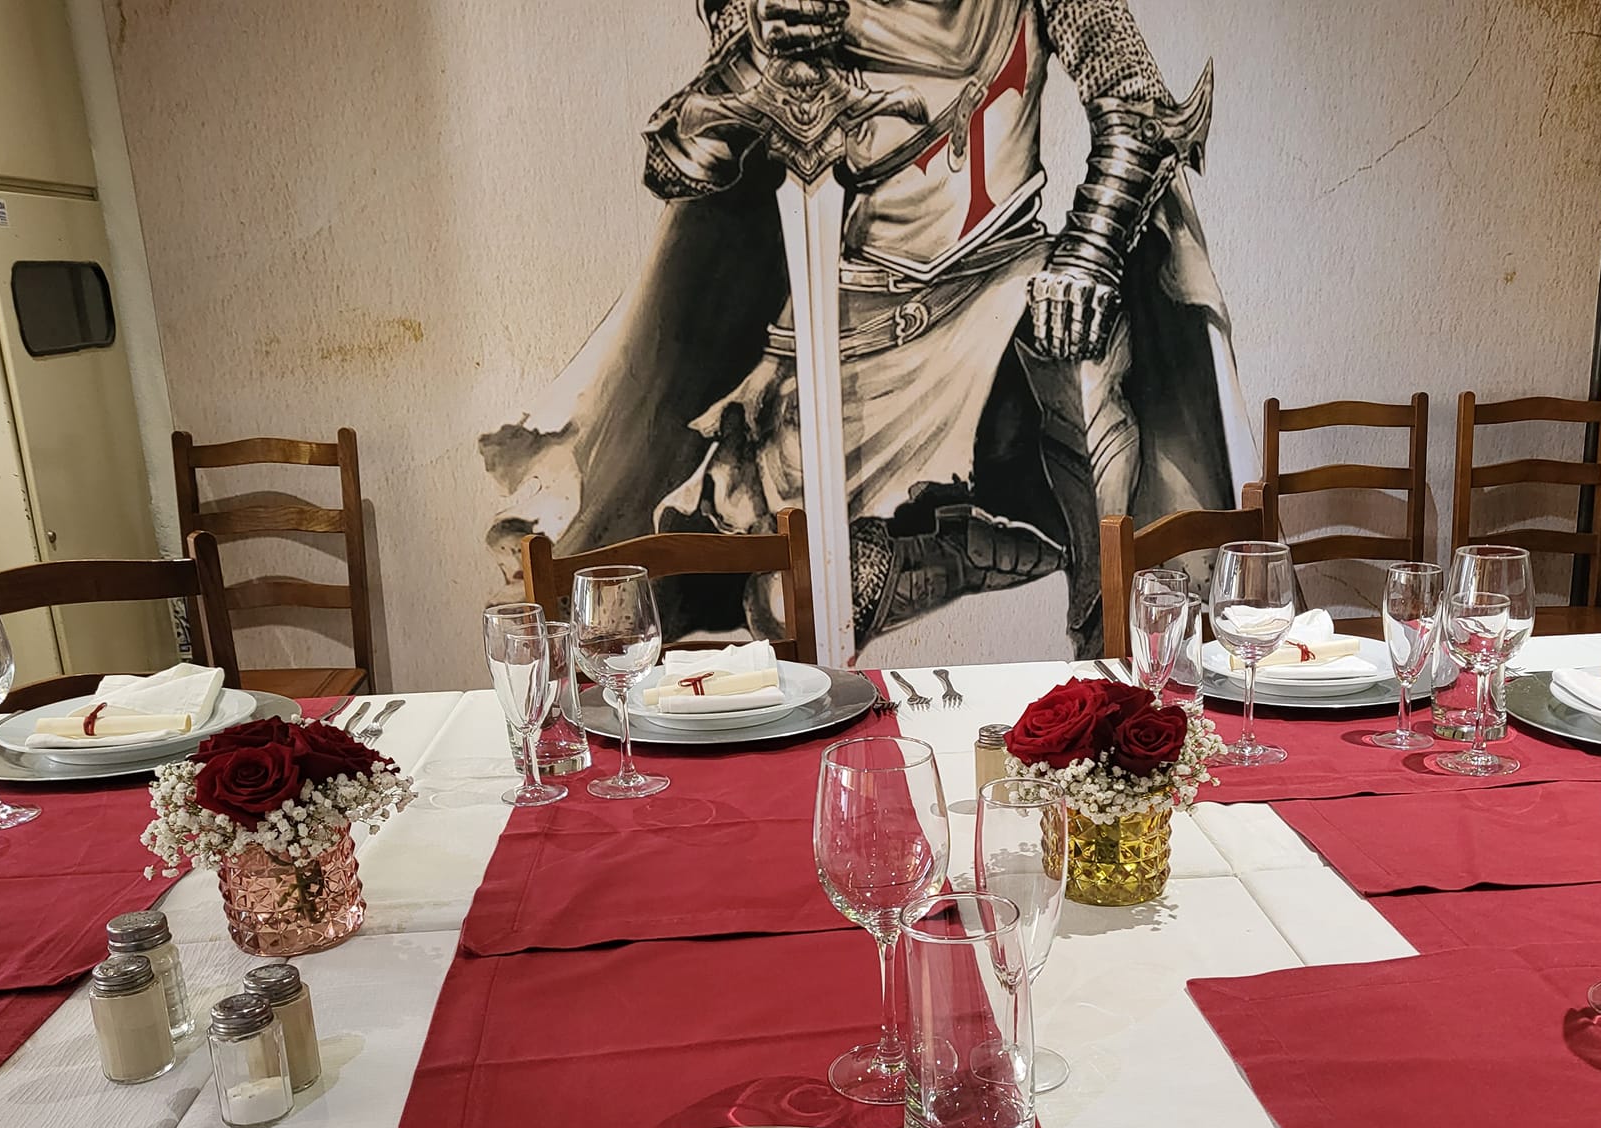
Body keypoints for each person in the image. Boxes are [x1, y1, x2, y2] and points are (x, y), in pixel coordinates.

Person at [481, 0, 1254, 657]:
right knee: (785, 608)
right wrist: (755, 51)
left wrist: (1089, 250)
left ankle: (1110, 682)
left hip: (1004, 279)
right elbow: (681, 167)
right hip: (848, 324)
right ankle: (963, 554)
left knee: (1087, 389)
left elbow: (1138, 111)